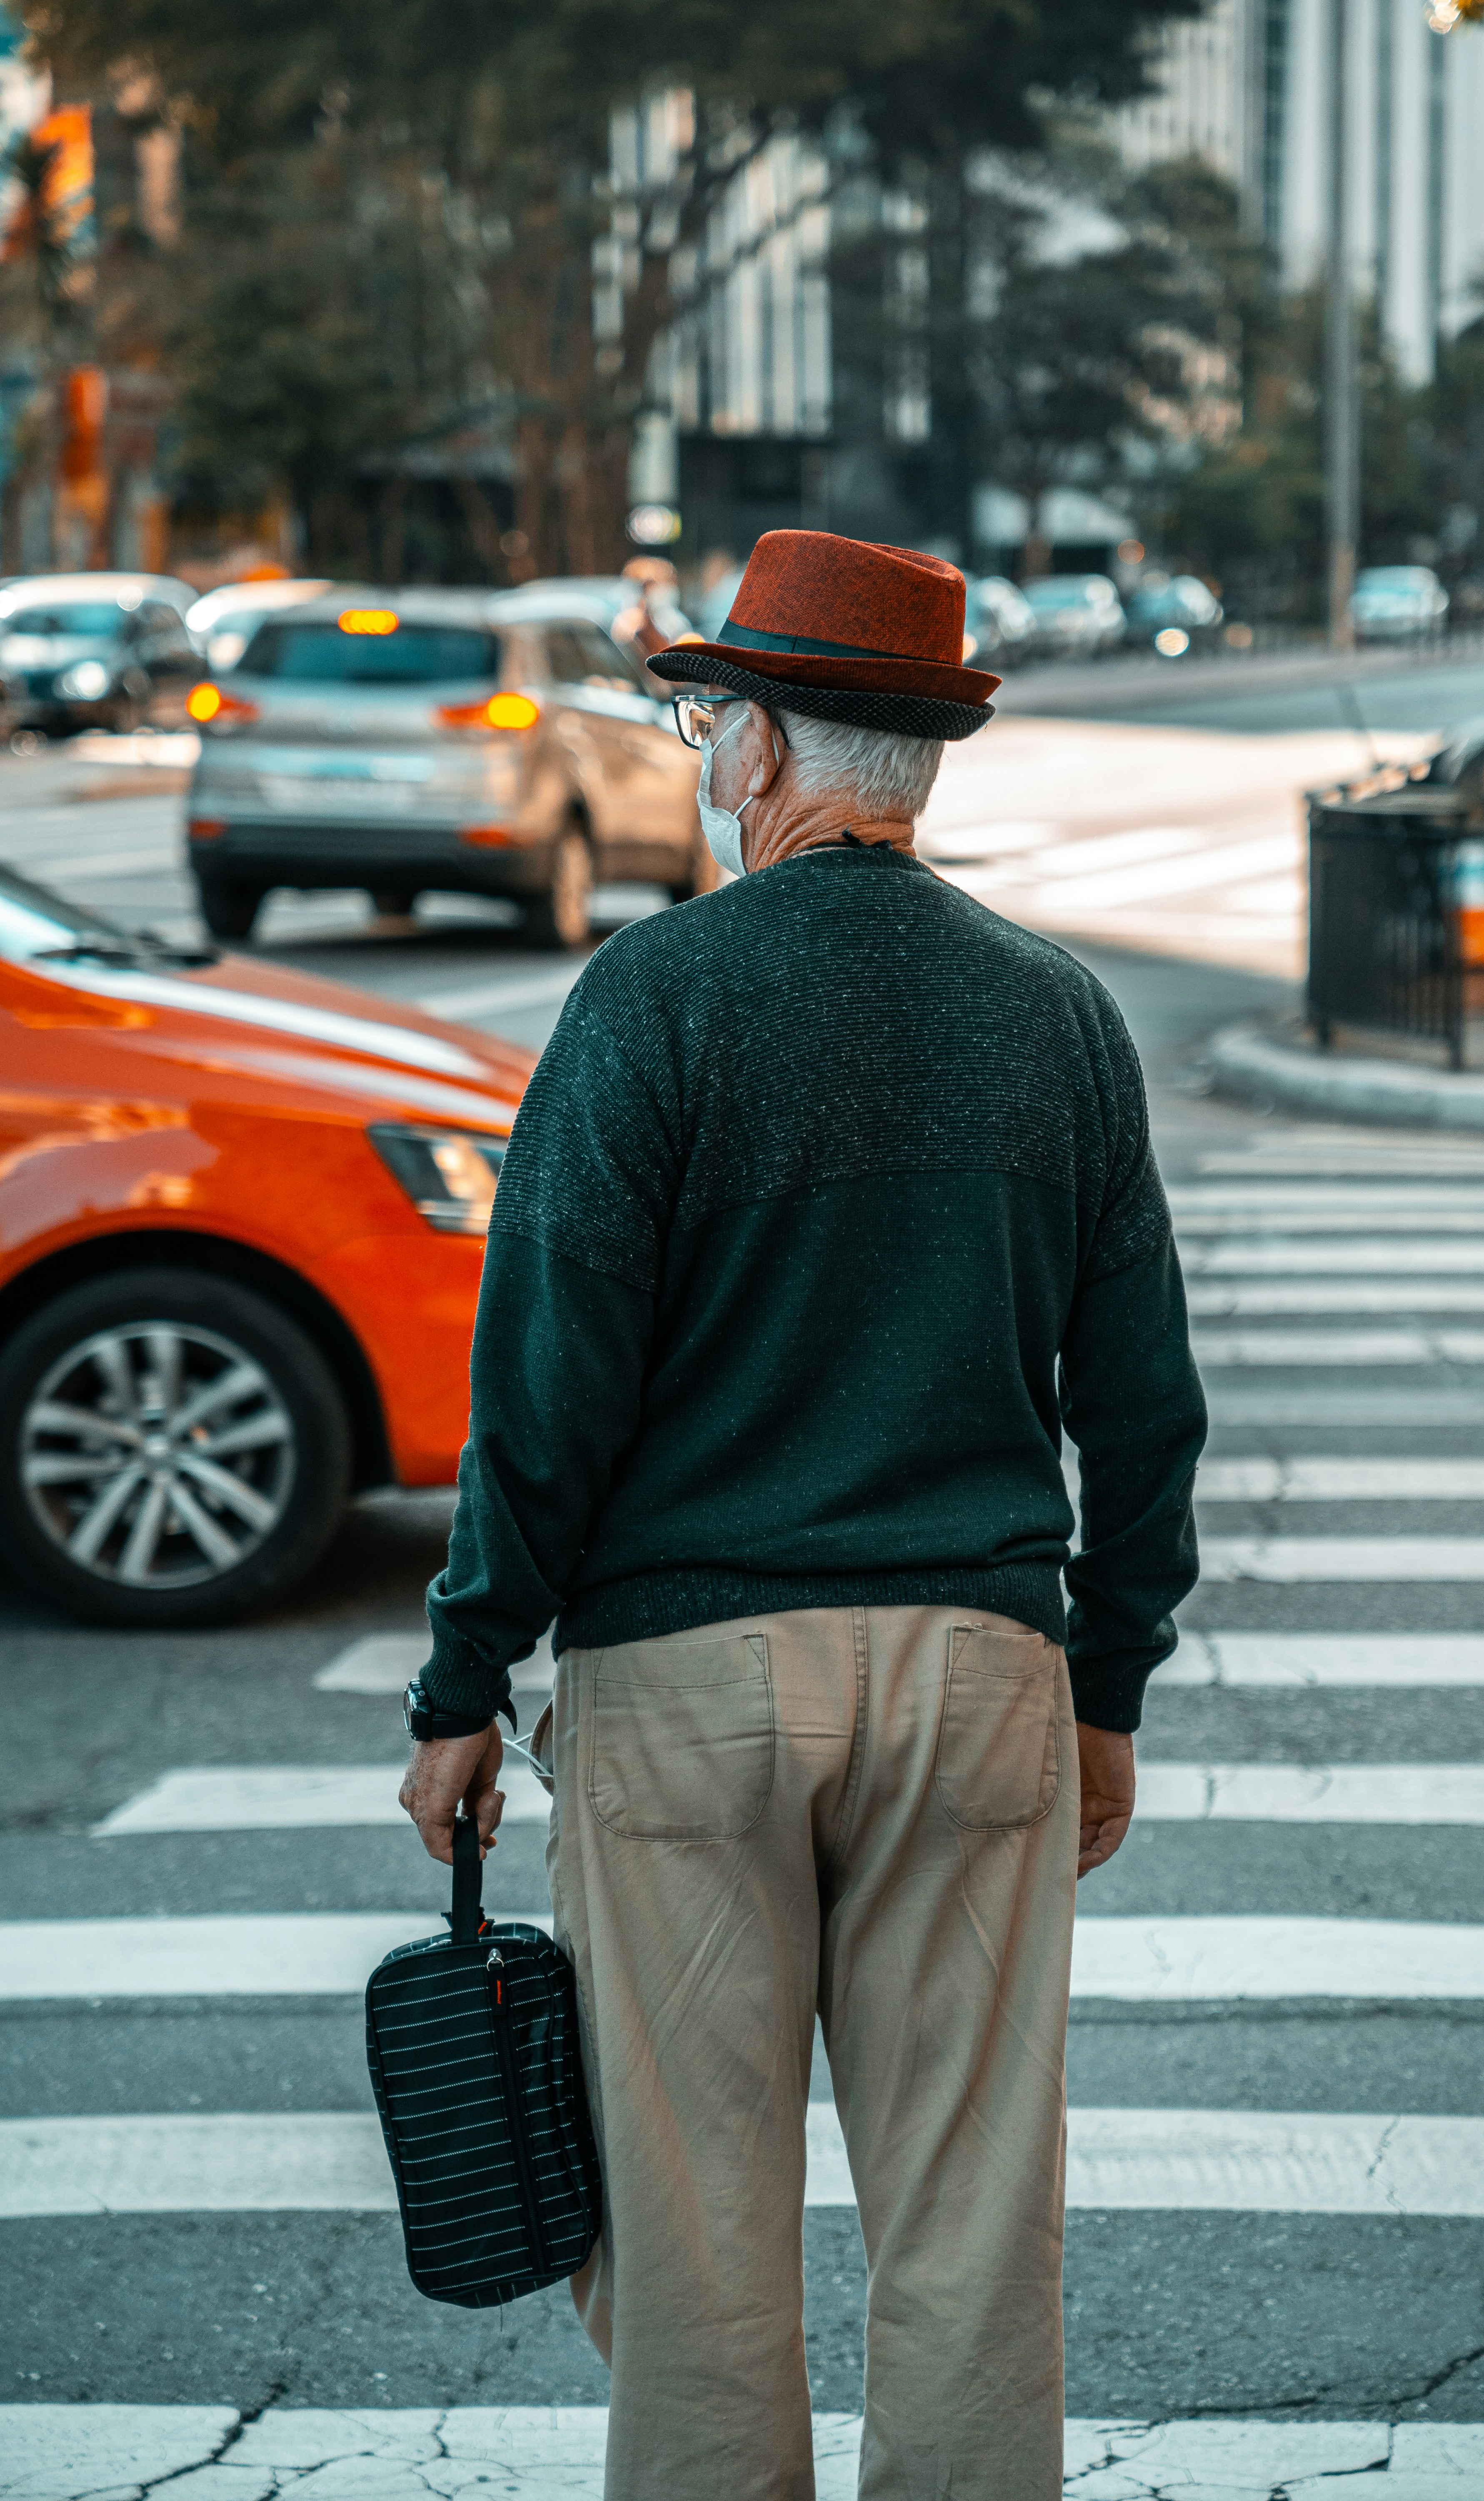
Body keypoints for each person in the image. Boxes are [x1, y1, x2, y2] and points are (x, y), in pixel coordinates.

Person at [399, 529, 1206, 2501]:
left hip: (687, 1691)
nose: (699, 752)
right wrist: (1104, 1682)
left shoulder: (652, 1001)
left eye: (705, 719)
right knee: (968, 2236)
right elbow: (1145, 1413)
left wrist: (464, 1676)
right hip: (978, 1677)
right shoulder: (1057, 1016)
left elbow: (543, 1394)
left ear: (760, 751)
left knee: (691, 2260)